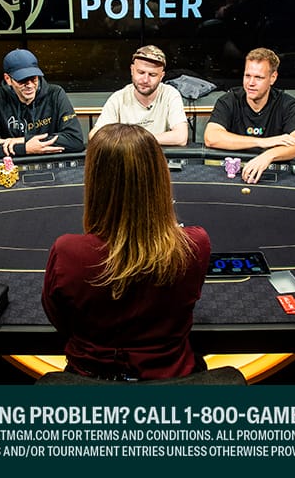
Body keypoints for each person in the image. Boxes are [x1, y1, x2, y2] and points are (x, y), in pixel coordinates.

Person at [42, 124, 211, 380]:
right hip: (173, 379)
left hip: (88, 380)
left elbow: (60, 320)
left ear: (96, 182)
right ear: (158, 176)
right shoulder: (195, 244)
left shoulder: (67, 252)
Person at [202, 47, 295, 183]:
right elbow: (212, 137)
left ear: (273, 78)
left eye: (258, 77)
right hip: (232, 174)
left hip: (272, 175)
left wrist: (269, 155)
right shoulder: (229, 100)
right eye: (247, 76)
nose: (251, 83)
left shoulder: (287, 104)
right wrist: (262, 142)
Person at [0, 49, 85, 158]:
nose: (29, 85)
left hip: (50, 162)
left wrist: (22, 141)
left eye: (34, 79)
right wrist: (24, 148)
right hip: (15, 167)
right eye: (22, 80)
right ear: (8, 79)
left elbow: (75, 140)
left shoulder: (55, 94)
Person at [89, 45, 188, 146]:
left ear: (161, 76)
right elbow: (94, 135)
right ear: (132, 70)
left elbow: (181, 137)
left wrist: (137, 141)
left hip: (159, 157)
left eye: (152, 75)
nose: (145, 80)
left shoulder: (170, 94)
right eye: (141, 72)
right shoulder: (118, 98)